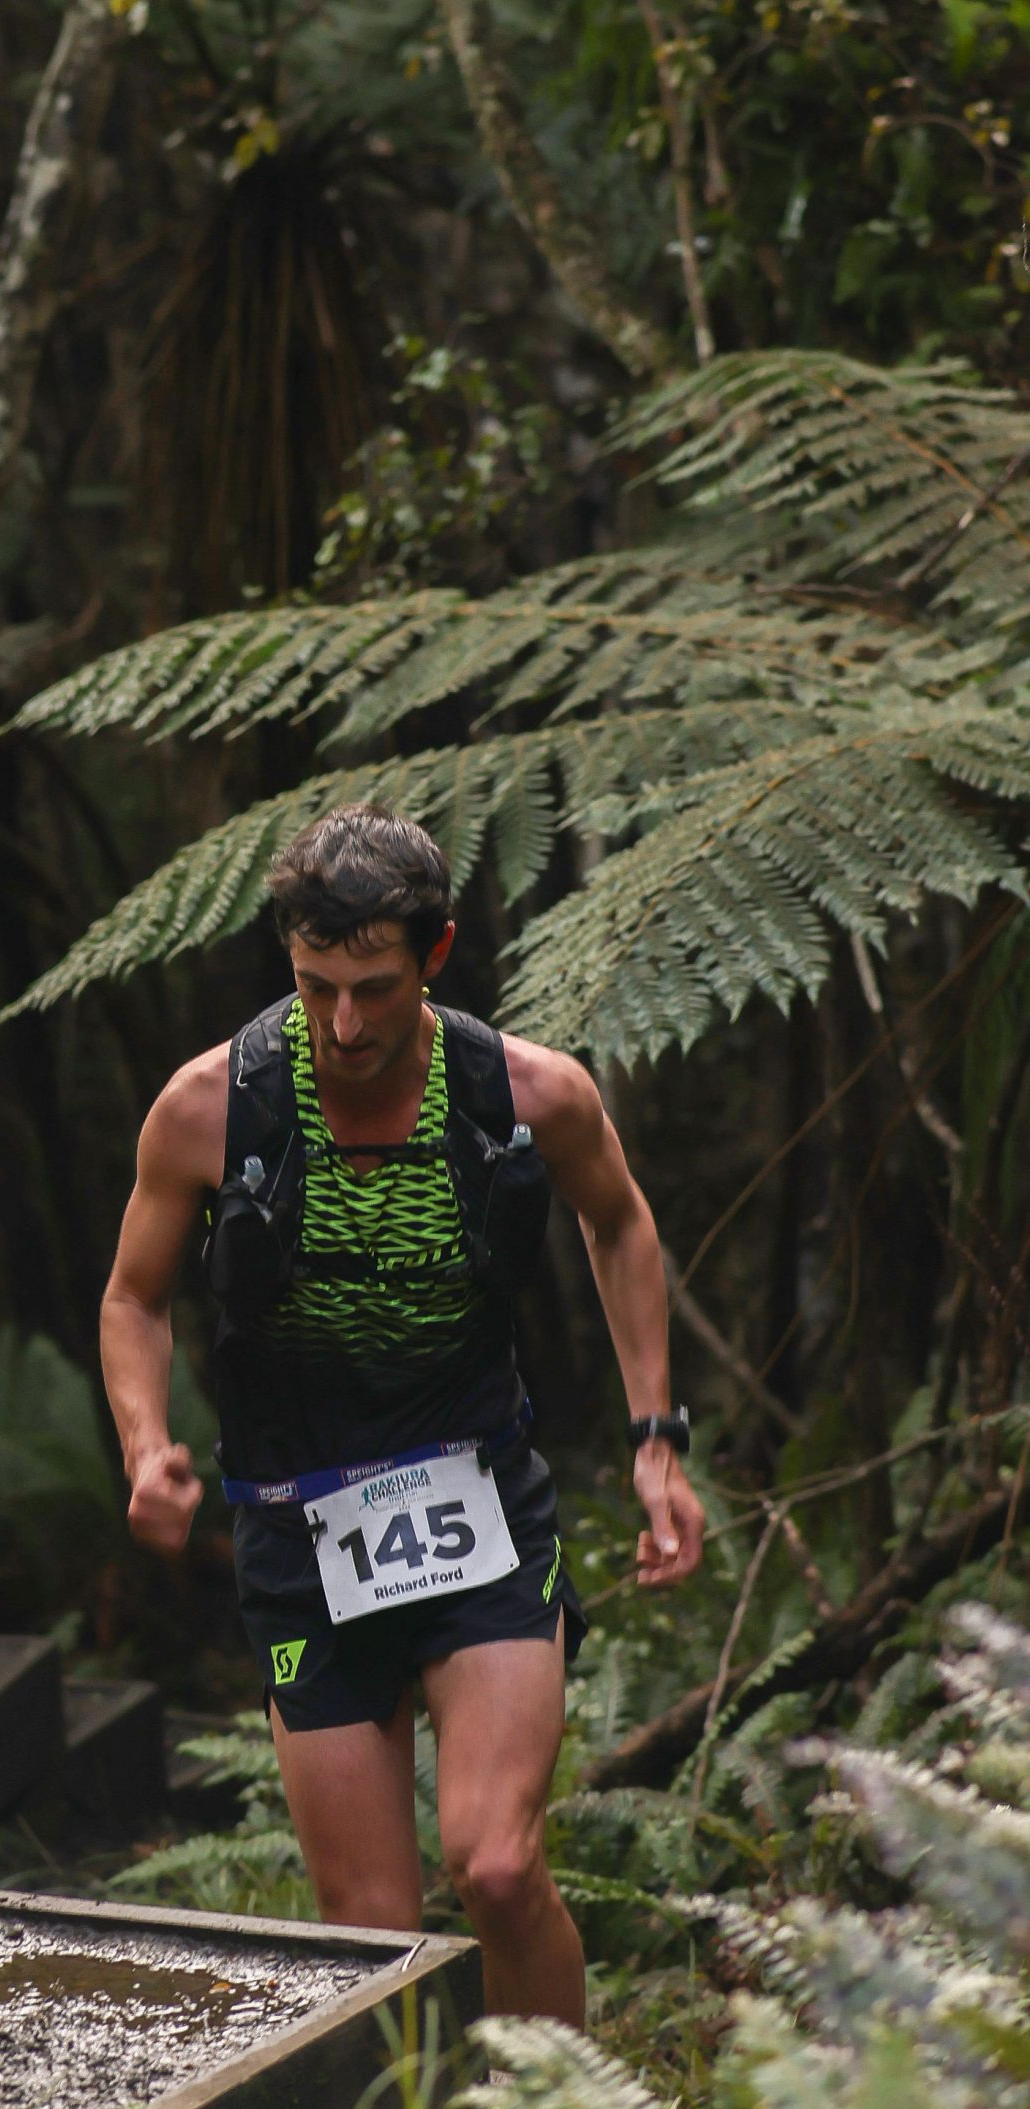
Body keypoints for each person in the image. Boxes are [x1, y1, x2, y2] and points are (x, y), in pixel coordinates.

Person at [100, 805, 704, 2023]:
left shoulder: (525, 1090)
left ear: (435, 957)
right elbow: (133, 1296)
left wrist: (655, 1441)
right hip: (296, 1528)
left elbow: (621, 1221)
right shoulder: (210, 1108)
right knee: (369, 1934)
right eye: (316, 984)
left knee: (496, 1863)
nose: (344, 1023)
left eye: (374, 987)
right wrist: (146, 1443)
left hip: (472, 1502)